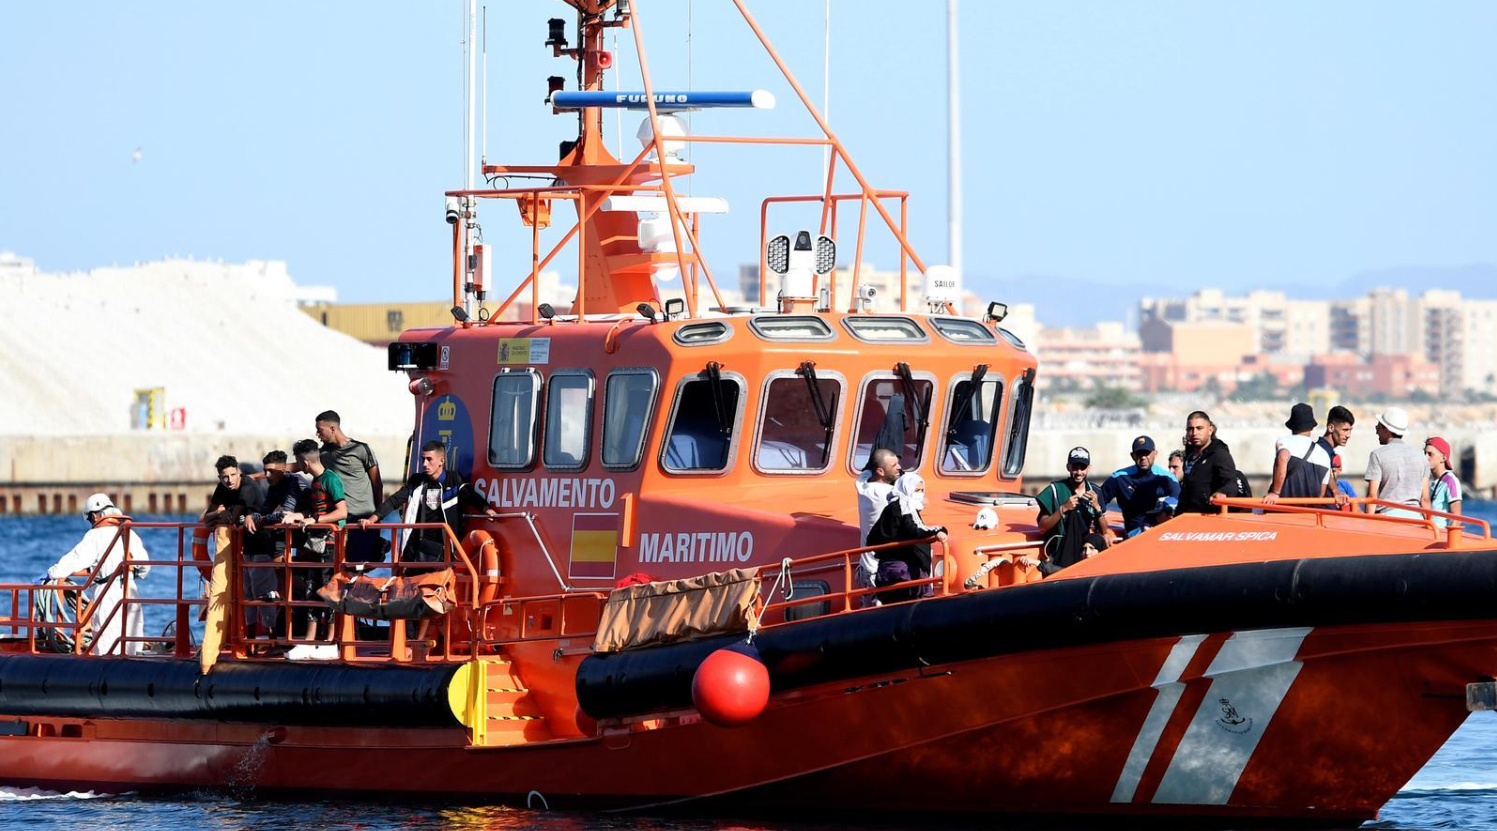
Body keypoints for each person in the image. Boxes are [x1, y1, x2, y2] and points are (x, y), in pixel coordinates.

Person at [362, 440, 497, 569]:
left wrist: (486, 508)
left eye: (429, 459)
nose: (425, 464)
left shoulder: (453, 480)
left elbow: (470, 495)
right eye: (423, 459)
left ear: (441, 461)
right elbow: (394, 500)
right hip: (416, 549)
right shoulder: (417, 481)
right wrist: (373, 518)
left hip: (444, 550)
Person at [43, 494, 149, 656]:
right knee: (132, 639)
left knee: (105, 641)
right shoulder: (128, 533)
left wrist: (52, 573)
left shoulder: (95, 536)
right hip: (131, 591)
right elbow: (144, 567)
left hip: (107, 593)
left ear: (93, 515)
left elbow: (75, 559)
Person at [239, 450, 308, 639]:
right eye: (265, 471)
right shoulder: (274, 487)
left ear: (283, 470)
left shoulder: (293, 483)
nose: (267, 475)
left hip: (311, 531)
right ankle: (284, 600)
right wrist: (255, 517)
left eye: (271, 471)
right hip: (293, 535)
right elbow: (265, 511)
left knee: (295, 577)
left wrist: (260, 519)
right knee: (279, 573)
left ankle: (291, 601)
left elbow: (285, 515)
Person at [283, 439, 348, 641]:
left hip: (330, 545)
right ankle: (310, 639)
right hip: (316, 544)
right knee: (312, 588)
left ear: (304, 462)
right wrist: (299, 516)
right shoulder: (315, 482)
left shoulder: (331, 479)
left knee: (330, 589)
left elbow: (342, 511)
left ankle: (330, 640)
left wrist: (315, 520)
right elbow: (316, 511)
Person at [866, 472, 948, 602]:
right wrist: (938, 530)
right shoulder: (904, 504)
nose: (920, 494)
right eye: (916, 490)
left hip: (888, 570)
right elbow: (914, 529)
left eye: (922, 490)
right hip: (904, 571)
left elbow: (872, 539)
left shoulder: (892, 507)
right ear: (906, 488)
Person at [317, 411, 383, 563]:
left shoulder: (361, 449)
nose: (317, 434)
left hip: (363, 519)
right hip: (339, 521)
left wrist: (378, 516)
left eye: (320, 430)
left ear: (333, 428)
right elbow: (302, 464)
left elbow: (377, 484)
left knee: (360, 565)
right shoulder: (323, 454)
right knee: (340, 567)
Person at [1035, 447, 1109, 574]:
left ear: (1089, 468)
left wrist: (1097, 508)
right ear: (1068, 467)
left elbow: (1104, 530)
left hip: (1084, 555)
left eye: (1083, 467)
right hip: (1059, 553)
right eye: (1075, 467)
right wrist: (1063, 509)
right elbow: (1042, 527)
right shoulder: (1054, 490)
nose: (1079, 472)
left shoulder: (1096, 491)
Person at [1097, 435, 1180, 537]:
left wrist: (1165, 507)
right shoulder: (1119, 478)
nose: (1143, 457)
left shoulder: (1168, 478)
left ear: (1155, 454)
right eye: (1139, 453)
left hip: (1163, 531)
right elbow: (1098, 502)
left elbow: (1179, 502)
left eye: (1147, 453)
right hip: (1134, 532)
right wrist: (1104, 531)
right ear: (1133, 456)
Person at [854, 448, 902, 596]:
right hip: (881, 570)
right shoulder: (888, 493)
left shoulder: (861, 485)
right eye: (894, 466)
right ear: (880, 471)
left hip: (866, 567)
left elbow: (866, 473)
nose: (899, 468)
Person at [1364, 407, 1428, 518]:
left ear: (1386, 429)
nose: (1376, 432)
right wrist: (1429, 525)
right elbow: (1425, 499)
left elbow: (1372, 495)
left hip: (1388, 517)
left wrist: (1367, 522)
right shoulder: (1421, 457)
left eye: (1378, 427)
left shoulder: (1377, 455)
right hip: (1416, 518)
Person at [1264, 403, 1333, 503]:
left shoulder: (1285, 442)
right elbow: (1321, 493)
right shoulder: (1324, 454)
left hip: (1283, 511)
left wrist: (1275, 492)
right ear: (1311, 427)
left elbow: (1283, 457)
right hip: (1310, 514)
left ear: (1292, 426)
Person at [1177, 411, 1240, 514]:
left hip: (1208, 516)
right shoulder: (1190, 455)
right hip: (1187, 517)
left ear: (1210, 430)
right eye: (1190, 429)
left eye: (1199, 428)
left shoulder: (1219, 454)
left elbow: (1231, 483)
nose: (1194, 433)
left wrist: (1222, 493)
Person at [201, 455, 267, 531]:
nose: (230, 480)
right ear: (220, 478)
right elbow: (206, 517)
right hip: (240, 524)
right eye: (225, 477)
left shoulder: (247, 487)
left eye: (233, 475)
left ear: (238, 473)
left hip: (256, 527)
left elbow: (233, 519)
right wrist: (219, 513)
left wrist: (216, 519)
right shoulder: (221, 487)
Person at [1425, 437, 1463, 528]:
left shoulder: (1450, 481)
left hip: (1440, 536)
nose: (1426, 457)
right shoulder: (1433, 482)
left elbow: (1457, 517)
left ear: (1443, 458)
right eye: (1425, 453)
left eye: (1430, 454)